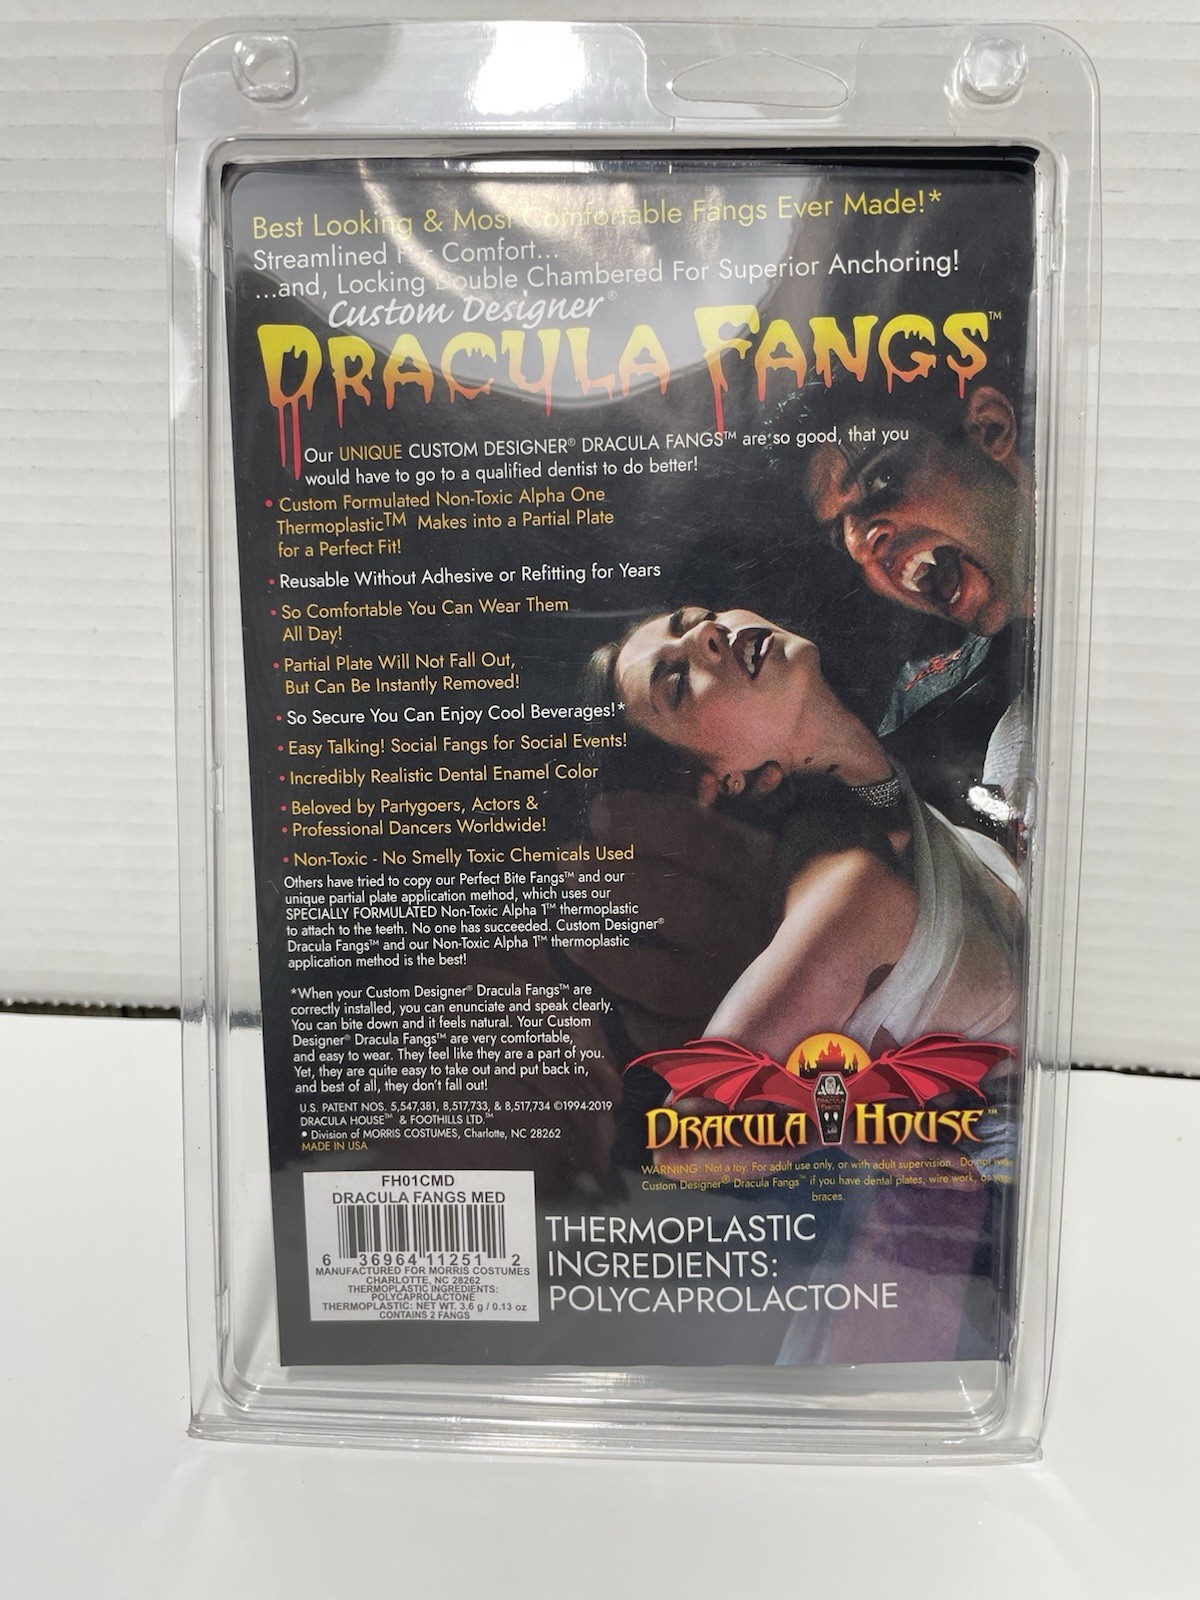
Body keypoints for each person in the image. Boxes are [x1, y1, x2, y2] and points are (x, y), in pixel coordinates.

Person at [588, 603, 1022, 1064]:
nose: (706, 633)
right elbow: (704, 1100)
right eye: (677, 686)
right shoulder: (846, 891)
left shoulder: (897, 785)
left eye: (697, 618)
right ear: (717, 780)